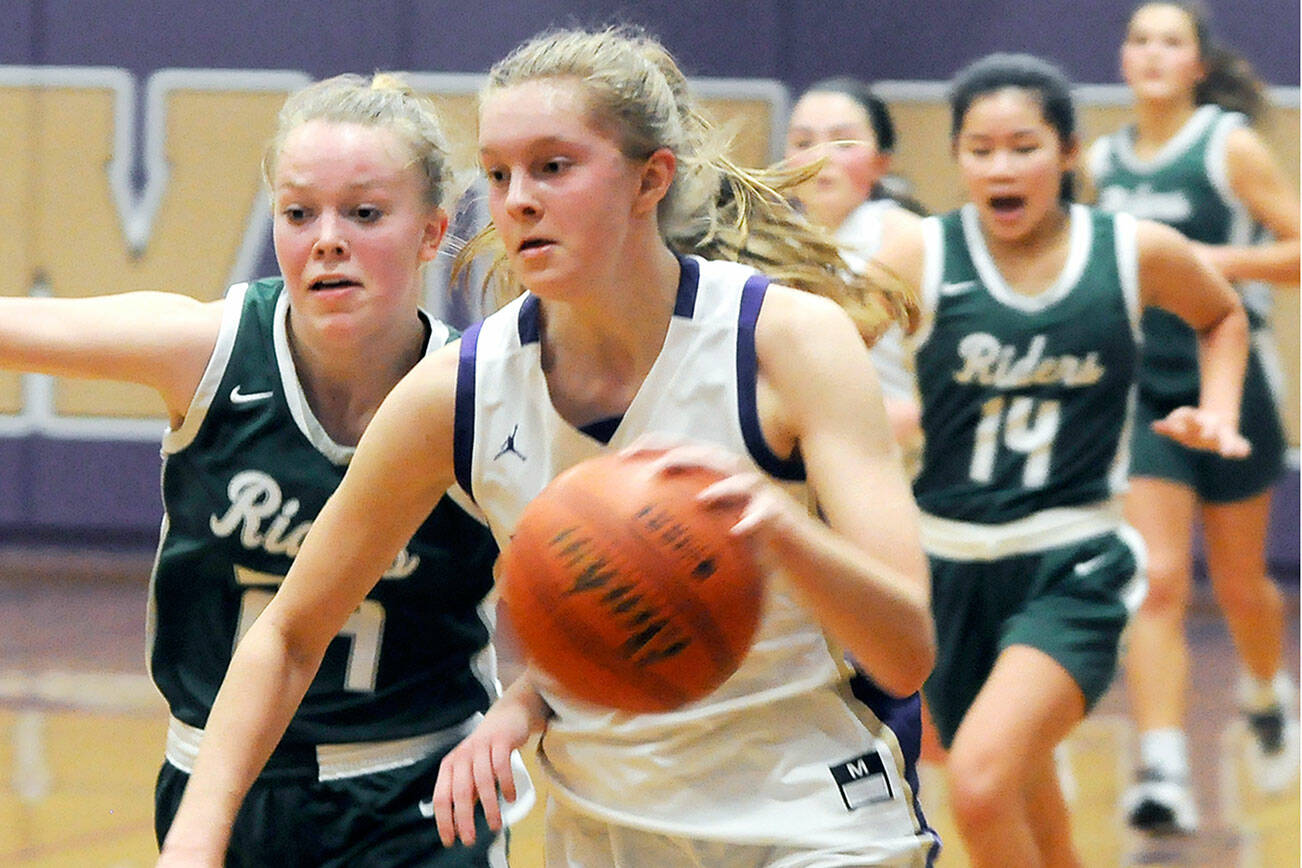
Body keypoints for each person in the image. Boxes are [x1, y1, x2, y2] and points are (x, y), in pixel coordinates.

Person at [157, 25, 942, 868]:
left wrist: (778, 532)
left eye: (553, 166)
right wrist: (198, 840)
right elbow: (288, 635)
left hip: (816, 818)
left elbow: (905, 652)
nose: (518, 198)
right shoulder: (460, 391)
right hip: (606, 831)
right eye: (498, 174)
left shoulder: (786, 341)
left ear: (651, 178)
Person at [0, 73, 532, 865]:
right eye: (298, 212)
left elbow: (579, 597)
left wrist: (517, 714)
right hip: (219, 775)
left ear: (431, 233)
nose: (327, 238)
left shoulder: (484, 396)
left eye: (364, 213)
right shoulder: (209, 353)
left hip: (414, 784)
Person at [871, 52, 1250, 867]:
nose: (1000, 167)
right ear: (959, 157)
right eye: (979, 149)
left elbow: (1222, 317)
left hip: (1072, 563)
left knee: (976, 781)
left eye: (1022, 146)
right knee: (1021, 779)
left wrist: (1217, 410)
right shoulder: (919, 257)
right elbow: (814, 361)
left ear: (1070, 153)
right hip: (946, 568)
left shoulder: (1132, 249)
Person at [1083, 0, 1301, 834]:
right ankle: (1164, 770)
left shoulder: (1226, 146)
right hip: (1148, 387)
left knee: (1241, 585)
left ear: (1198, 64)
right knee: (1161, 579)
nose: (1150, 52)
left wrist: (1209, 262)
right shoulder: (1104, 161)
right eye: (1139, 38)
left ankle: (1265, 691)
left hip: (1234, 378)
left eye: (1171, 40)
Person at [783, 76, 925, 453]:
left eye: (843, 143)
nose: (820, 157)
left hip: (896, 440)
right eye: (802, 142)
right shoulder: (765, 241)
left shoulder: (907, 235)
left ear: (882, 162)